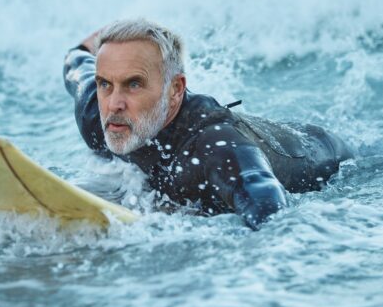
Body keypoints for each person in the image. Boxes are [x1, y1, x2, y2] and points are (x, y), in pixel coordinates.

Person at [63, 19, 354, 229]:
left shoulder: (214, 148)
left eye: (134, 84)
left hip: (319, 152)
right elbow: (76, 64)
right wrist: (84, 45)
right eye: (105, 84)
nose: (114, 102)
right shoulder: (99, 116)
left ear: (175, 89)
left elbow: (268, 205)